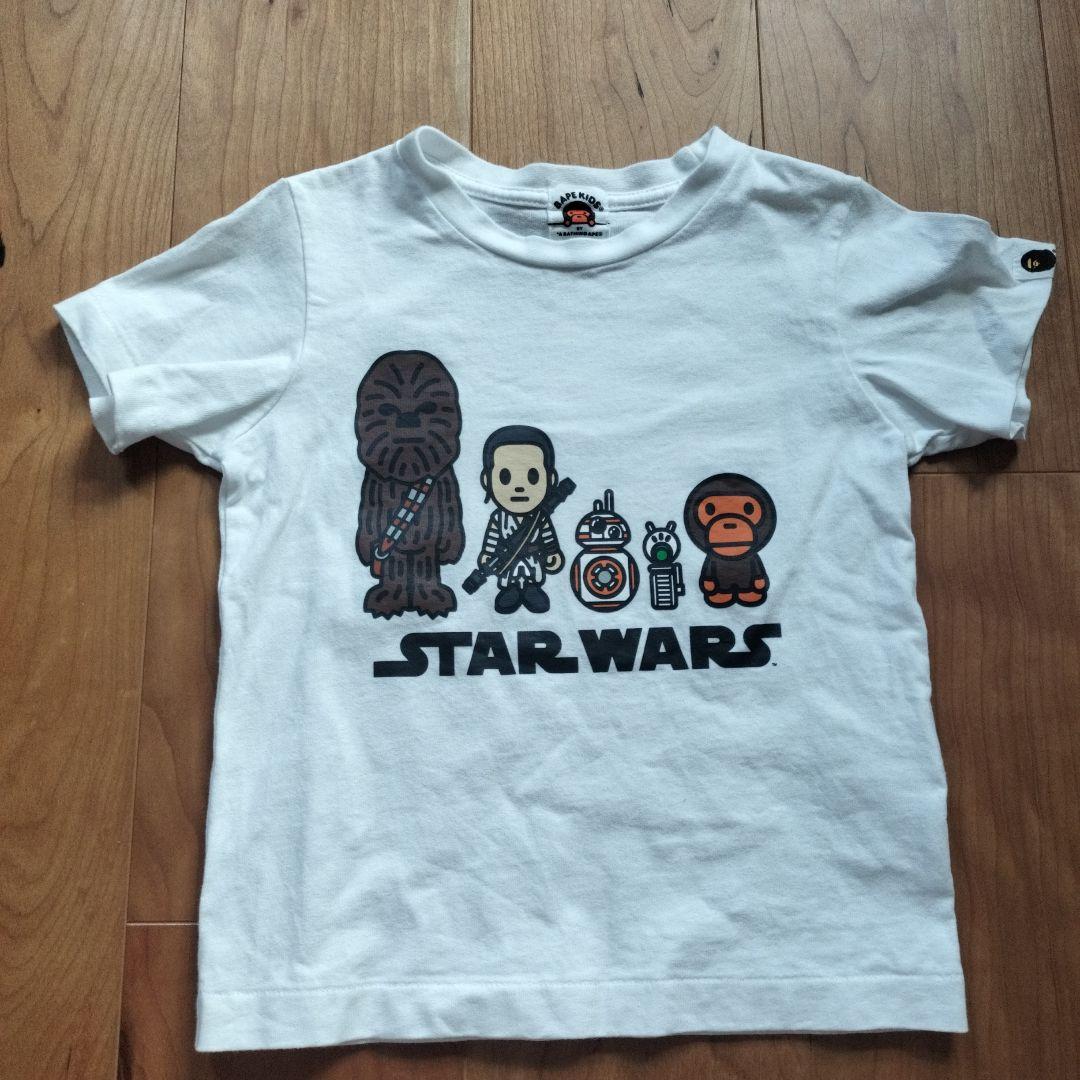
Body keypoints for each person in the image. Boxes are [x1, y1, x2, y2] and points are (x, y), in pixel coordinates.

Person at [478, 425, 565, 614]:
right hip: (506, 561)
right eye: (505, 477)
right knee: (509, 579)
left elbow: (547, 536)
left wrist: (552, 552)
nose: (519, 487)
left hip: (533, 558)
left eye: (532, 477)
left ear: (550, 479)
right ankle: (511, 592)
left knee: (532, 577)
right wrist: (487, 553)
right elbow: (492, 538)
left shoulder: (540, 517)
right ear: (487, 480)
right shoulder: (498, 518)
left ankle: (532, 591)